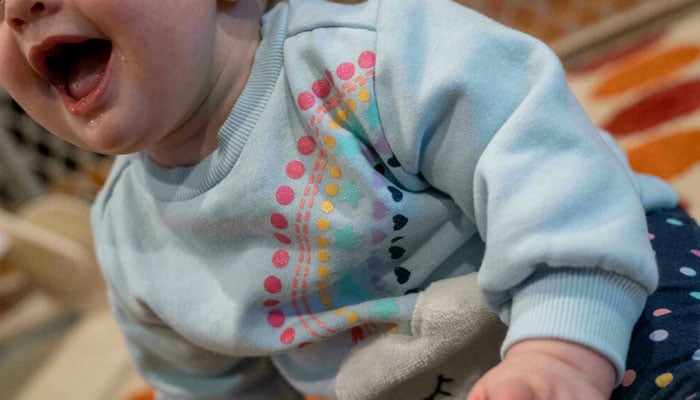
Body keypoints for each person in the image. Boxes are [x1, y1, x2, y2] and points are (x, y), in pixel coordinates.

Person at [1, 0, 698, 399]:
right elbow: (214, 390)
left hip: (599, 277)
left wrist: (560, 356)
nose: (19, 8)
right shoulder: (129, 240)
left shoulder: (380, 56)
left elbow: (557, 181)